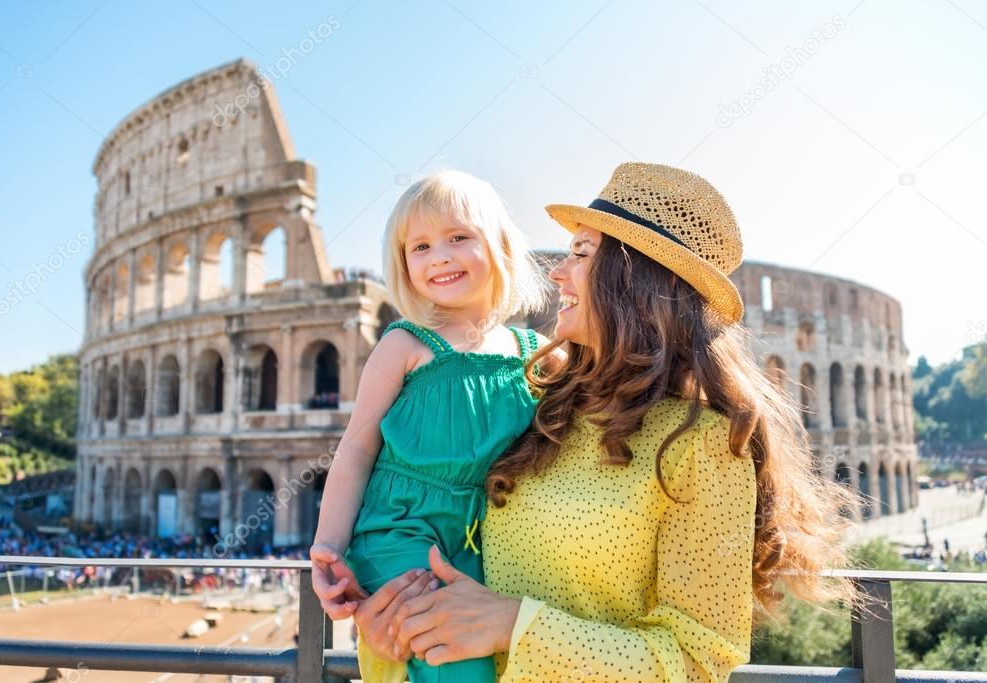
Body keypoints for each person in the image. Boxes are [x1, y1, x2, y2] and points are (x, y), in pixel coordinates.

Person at [350, 162, 858, 682]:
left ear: (634, 277)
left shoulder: (703, 446)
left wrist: (513, 628)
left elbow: (698, 663)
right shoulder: (540, 402)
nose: (556, 272)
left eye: (581, 254)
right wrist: (391, 615)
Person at [309, 170, 551, 683]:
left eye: (458, 237)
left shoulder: (535, 356)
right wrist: (328, 547)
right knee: (458, 661)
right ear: (403, 265)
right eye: (419, 246)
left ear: (500, 245)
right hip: (400, 527)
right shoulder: (405, 345)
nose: (439, 255)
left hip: (481, 535)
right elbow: (355, 449)